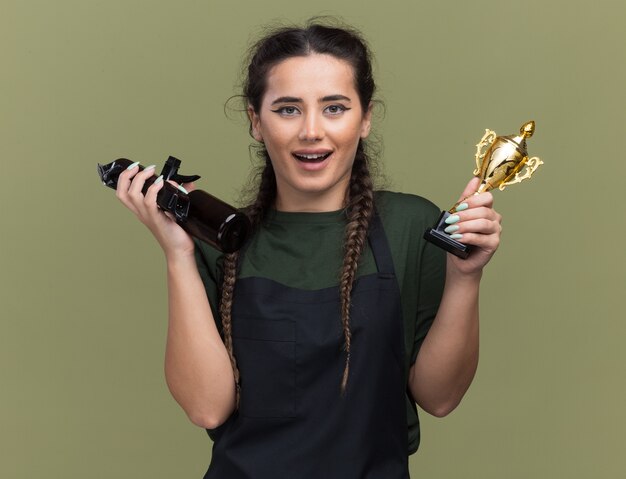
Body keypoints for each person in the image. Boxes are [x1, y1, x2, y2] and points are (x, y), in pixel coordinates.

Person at [114, 20, 501, 479]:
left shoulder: (412, 225)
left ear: (366, 118)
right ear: (256, 122)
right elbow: (206, 409)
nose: (312, 131)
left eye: (335, 108)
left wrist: (465, 277)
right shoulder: (221, 240)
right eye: (288, 109)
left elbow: (440, 398)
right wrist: (177, 253)